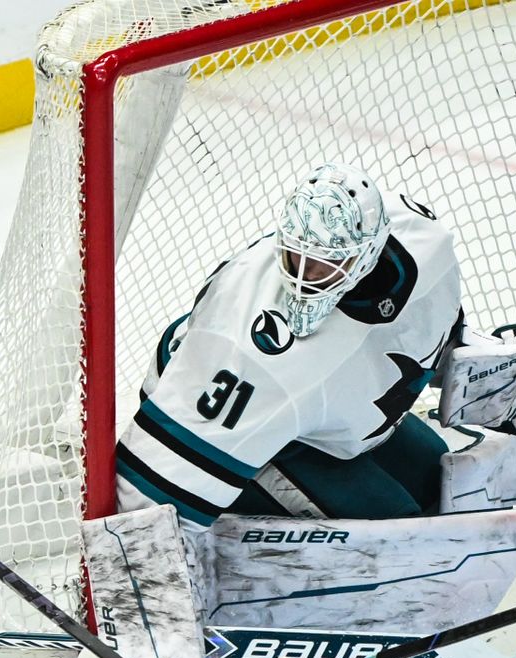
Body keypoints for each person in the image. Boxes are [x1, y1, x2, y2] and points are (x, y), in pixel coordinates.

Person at [115, 162, 461, 533]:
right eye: (298, 254)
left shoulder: (425, 245)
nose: (304, 275)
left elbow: (430, 338)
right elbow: (146, 505)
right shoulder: (253, 353)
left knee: (435, 478)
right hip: (219, 410)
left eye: (327, 261)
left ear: (370, 251)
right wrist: (134, 551)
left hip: (316, 423)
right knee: (399, 529)